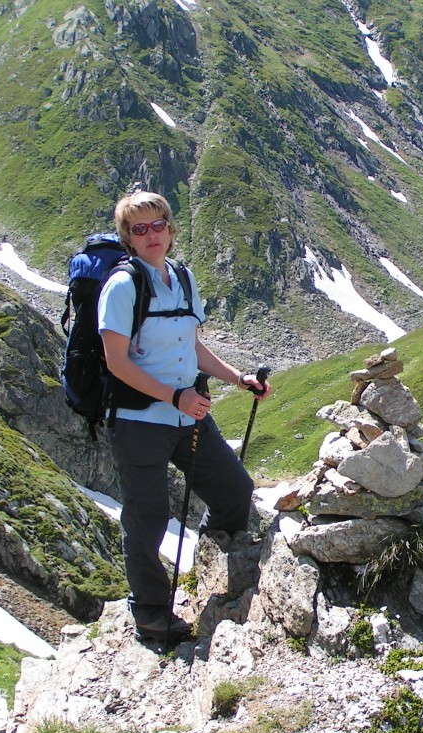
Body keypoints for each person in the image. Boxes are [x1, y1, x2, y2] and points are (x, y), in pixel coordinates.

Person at [98, 190, 270, 642]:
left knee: (235, 489)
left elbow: (192, 346)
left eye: (158, 224)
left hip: (187, 415)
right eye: (139, 228)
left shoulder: (182, 278)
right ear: (128, 238)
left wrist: (238, 378)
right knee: (147, 517)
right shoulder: (122, 286)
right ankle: (152, 615)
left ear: (171, 229)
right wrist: (174, 397)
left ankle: (212, 563)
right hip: (138, 422)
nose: (151, 234)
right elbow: (116, 362)